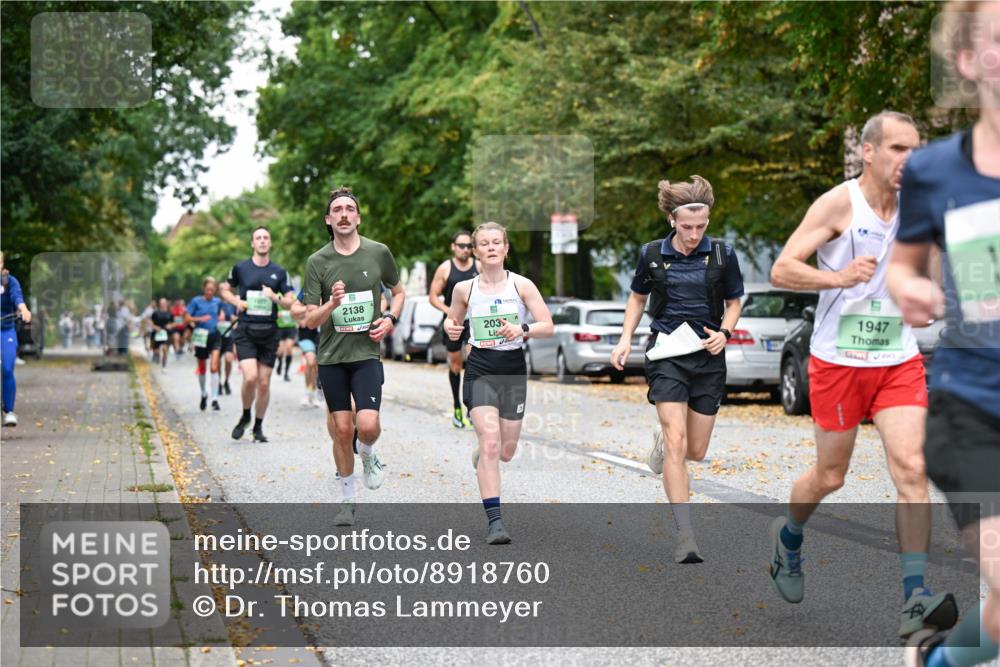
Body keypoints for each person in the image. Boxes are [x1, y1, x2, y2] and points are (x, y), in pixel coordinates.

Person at [768, 111, 958, 639]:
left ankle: (914, 598)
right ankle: (788, 538)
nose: (909, 160)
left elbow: (935, 283)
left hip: (896, 360)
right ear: (869, 152)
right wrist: (837, 277)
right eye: (898, 149)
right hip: (837, 362)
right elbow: (781, 268)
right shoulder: (837, 203)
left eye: (915, 150)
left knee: (912, 470)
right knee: (831, 475)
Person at [889, 3, 1000, 665]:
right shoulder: (935, 172)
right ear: (967, 61)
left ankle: (941, 658)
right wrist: (913, 290)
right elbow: (903, 267)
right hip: (974, 408)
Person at [610, 176, 744, 563]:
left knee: (697, 451)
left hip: (707, 355)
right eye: (687, 226)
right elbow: (637, 298)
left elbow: (734, 302)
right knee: (677, 442)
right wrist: (624, 339)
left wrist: (725, 332)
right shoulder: (652, 254)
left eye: (701, 225)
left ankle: (661, 440)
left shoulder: (722, 254)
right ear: (671, 219)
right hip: (667, 352)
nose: (694, 233)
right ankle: (686, 536)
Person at [301, 187, 405, 527]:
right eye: (337, 210)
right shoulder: (317, 262)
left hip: (366, 354)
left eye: (350, 208)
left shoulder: (378, 253)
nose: (344, 214)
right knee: (342, 429)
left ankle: (369, 453)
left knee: (368, 426)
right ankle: (347, 500)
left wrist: (390, 319)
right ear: (328, 220)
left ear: (358, 217)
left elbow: (399, 291)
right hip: (331, 357)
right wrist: (332, 303)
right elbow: (309, 319)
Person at [445, 222, 553, 544]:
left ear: (506, 249)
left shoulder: (522, 286)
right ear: (476, 251)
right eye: (484, 243)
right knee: (491, 442)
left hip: (512, 370)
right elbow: (453, 324)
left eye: (497, 243)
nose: (491, 248)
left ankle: (486, 451)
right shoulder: (465, 289)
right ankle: (495, 523)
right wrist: (452, 331)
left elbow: (547, 325)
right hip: (480, 368)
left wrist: (523, 330)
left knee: (505, 451)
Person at [221, 226, 296, 442]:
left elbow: (291, 302)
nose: (262, 241)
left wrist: (275, 297)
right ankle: (245, 414)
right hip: (245, 329)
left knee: (264, 382)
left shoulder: (280, 272)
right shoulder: (241, 268)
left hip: (269, 332)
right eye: (258, 238)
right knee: (251, 377)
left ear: (270, 243)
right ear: (252, 243)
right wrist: (237, 301)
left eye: (266, 238)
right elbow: (224, 289)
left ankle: (258, 426)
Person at [429, 230, 480, 428]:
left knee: (474, 359)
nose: (465, 250)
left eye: (468, 246)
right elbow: (433, 296)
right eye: (461, 246)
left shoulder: (479, 267)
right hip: (453, 323)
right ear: (453, 247)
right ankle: (457, 408)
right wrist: (449, 311)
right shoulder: (445, 268)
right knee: (456, 364)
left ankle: (473, 408)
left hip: (473, 322)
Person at [1, 252, 32, 427]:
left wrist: (23, 309)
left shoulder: (9, 281)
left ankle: (9, 411)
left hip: (5, 330)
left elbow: (17, 297)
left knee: (6, 369)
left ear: (2, 264)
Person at [187, 278, 224, 411]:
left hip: (214, 335)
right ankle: (203, 393)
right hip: (201, 336)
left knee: (214, 367)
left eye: (212, 290)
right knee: (202, 368)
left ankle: (214, 399)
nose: (210, 292)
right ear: (204, 289)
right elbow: (186, 317)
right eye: (208, 289)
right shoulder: (196, 301)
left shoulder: (217, 301)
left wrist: (221, 317)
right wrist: (199, 319)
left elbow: (220, 313)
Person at [293, 288, 321, 407]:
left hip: (323, 334)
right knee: (310, 361)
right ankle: (307, 392)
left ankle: (313, 391)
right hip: (307, 333)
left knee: (317, 365)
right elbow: (293, 311)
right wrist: (304, 316)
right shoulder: (309, 288)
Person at [218, 298, 237, 395]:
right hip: (218, 336)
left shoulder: (233, 304)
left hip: (229, 336)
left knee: (228, 360)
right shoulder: (216, 302)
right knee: (217, 362)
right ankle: (218, 383)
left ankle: (226, 381)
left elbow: (237, 318)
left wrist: (233, 319)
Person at [148, 298, 172, 371]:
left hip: (165, 333)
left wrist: (171, 325)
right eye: (161, 303)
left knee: (165, 350)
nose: (163, 304)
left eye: (164, 303)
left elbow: (175, 322)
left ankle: (164, 367)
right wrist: (155, 327)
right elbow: (149, 321)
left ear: (166, 304)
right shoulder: (155, 313)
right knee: (156, 351)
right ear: (159, 304)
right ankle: (156, 355)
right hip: (156, 333)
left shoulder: (169, 313)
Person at [275, 305, 297, 382]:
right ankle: (280, 363)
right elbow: (274, 314)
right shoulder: (277, 297)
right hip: (280, 328)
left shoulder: (294, 298)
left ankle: (286, 373)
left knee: (289, 348)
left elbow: (297, 311)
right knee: (279, 351)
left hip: (291, 328)